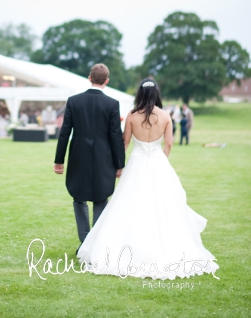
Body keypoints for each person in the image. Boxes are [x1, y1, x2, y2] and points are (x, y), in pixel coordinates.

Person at [77, 79, 218, 279]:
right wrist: (161, 159)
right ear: (157, 94)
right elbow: (168, 144)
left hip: (136, 161)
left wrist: (119, 165)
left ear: (140, 95)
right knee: (164, 205)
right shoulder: (165, 116)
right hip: (158, 162)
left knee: (129, 204)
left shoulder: (133, 116)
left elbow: (124, 143)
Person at [53, 63, 125, 248]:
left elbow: (64, 132)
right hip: (104, 157)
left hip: (78, 155)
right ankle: (96, 242)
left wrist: (59, 161)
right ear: (106, 81)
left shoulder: (74, 101)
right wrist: (120, 164)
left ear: (89, 78)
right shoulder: (112, 104)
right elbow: (116, 136)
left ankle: (85, 240)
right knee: (101, 197)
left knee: (79, 197)